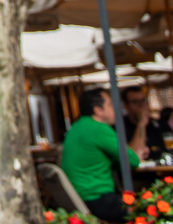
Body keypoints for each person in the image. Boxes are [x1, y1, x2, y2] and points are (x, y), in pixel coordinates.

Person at [61, 88, 145, 222]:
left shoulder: (76, 127)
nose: (115, 109)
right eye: (110, 104)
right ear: (98, 110)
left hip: (76, 200)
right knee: (147, 208)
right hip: (97, 199)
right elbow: (132, 161)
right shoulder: (98, 128)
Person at [121, 86, 164, 155]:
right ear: (126, 106)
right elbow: (131, 156)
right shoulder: (121, 127)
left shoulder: (157, 124)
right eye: (136, 102)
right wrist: (141, 123)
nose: (142, 105)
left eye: (144, 100)